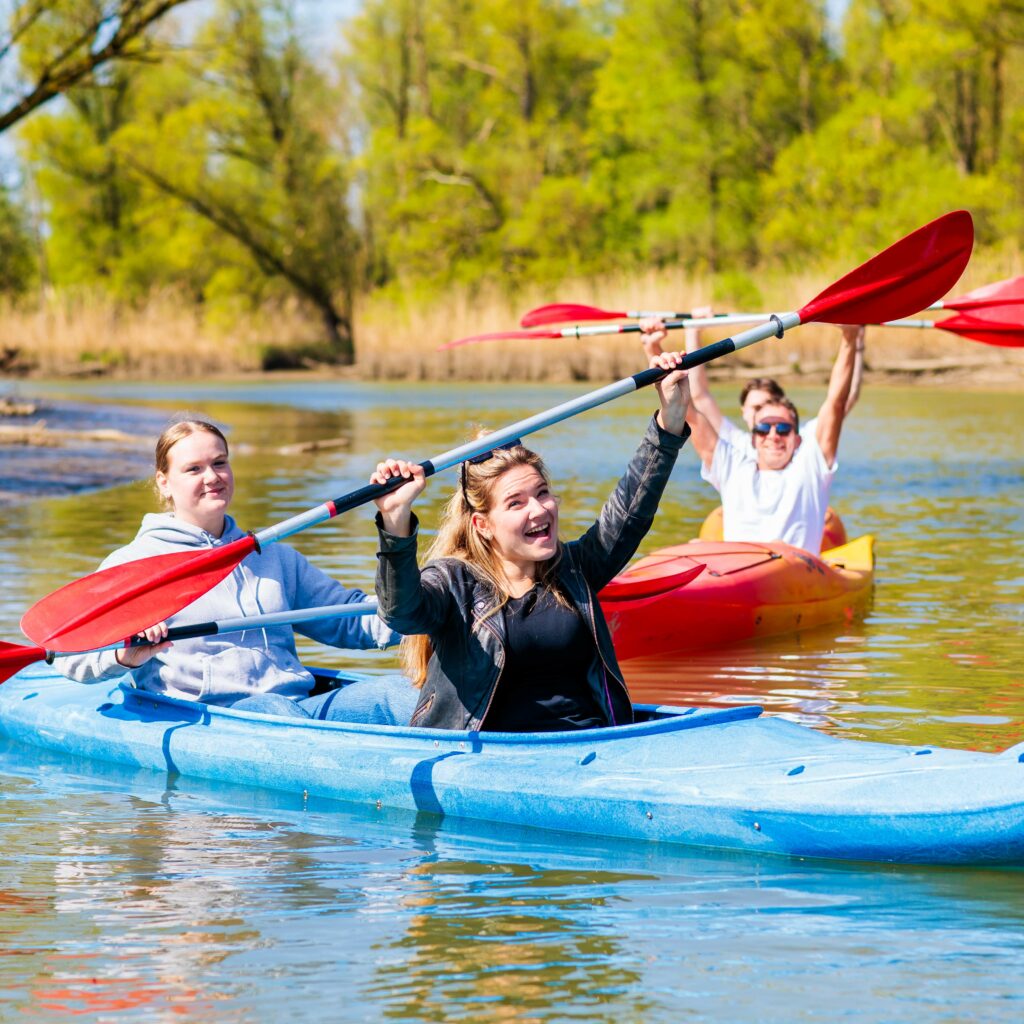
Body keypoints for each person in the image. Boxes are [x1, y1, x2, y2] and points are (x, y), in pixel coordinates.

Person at [368, 332, 690, 732]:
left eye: (542, 493)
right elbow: (400, 612)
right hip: (491, 756)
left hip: (593, 745)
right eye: (516, 503)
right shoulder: (454, 583)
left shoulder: (574, 570)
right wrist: (396, 522)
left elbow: (631, 511)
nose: (539, 510)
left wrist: (669, 422)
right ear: (482, 525)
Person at [59, 417, 416, 724]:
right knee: (275, 709)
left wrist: (396, 522)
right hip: (211, 718)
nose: (212, 477)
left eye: (220, 463)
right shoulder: (134, 564)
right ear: (164, 482)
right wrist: (123, 656)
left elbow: (357, 622)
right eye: (194, 469)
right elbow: (72, 656)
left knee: (404, 693)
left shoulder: (273, 557)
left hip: (297, 709)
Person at [666, 319, 863, 556]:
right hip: (737, 569)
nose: (773, 435)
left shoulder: (810, 465)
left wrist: (850, 340)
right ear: (753, 438)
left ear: (797, 439)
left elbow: (836, 403)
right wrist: (668, 370)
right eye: (764, 428)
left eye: (783, 429)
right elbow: (690, 412)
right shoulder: (733, 466)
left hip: (794, 569)